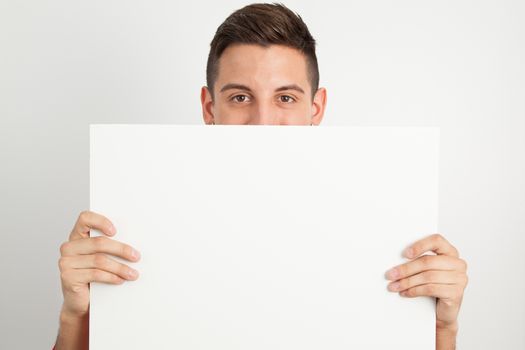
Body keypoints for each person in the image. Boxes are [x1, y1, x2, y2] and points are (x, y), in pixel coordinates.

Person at [53, 3, 468, 349]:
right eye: (239, 97)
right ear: (209, 107)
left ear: (316, 109)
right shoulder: (144, 217)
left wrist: (442, 327)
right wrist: (78, 315)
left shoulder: (377, 217)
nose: (263, 121)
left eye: (285, 97)